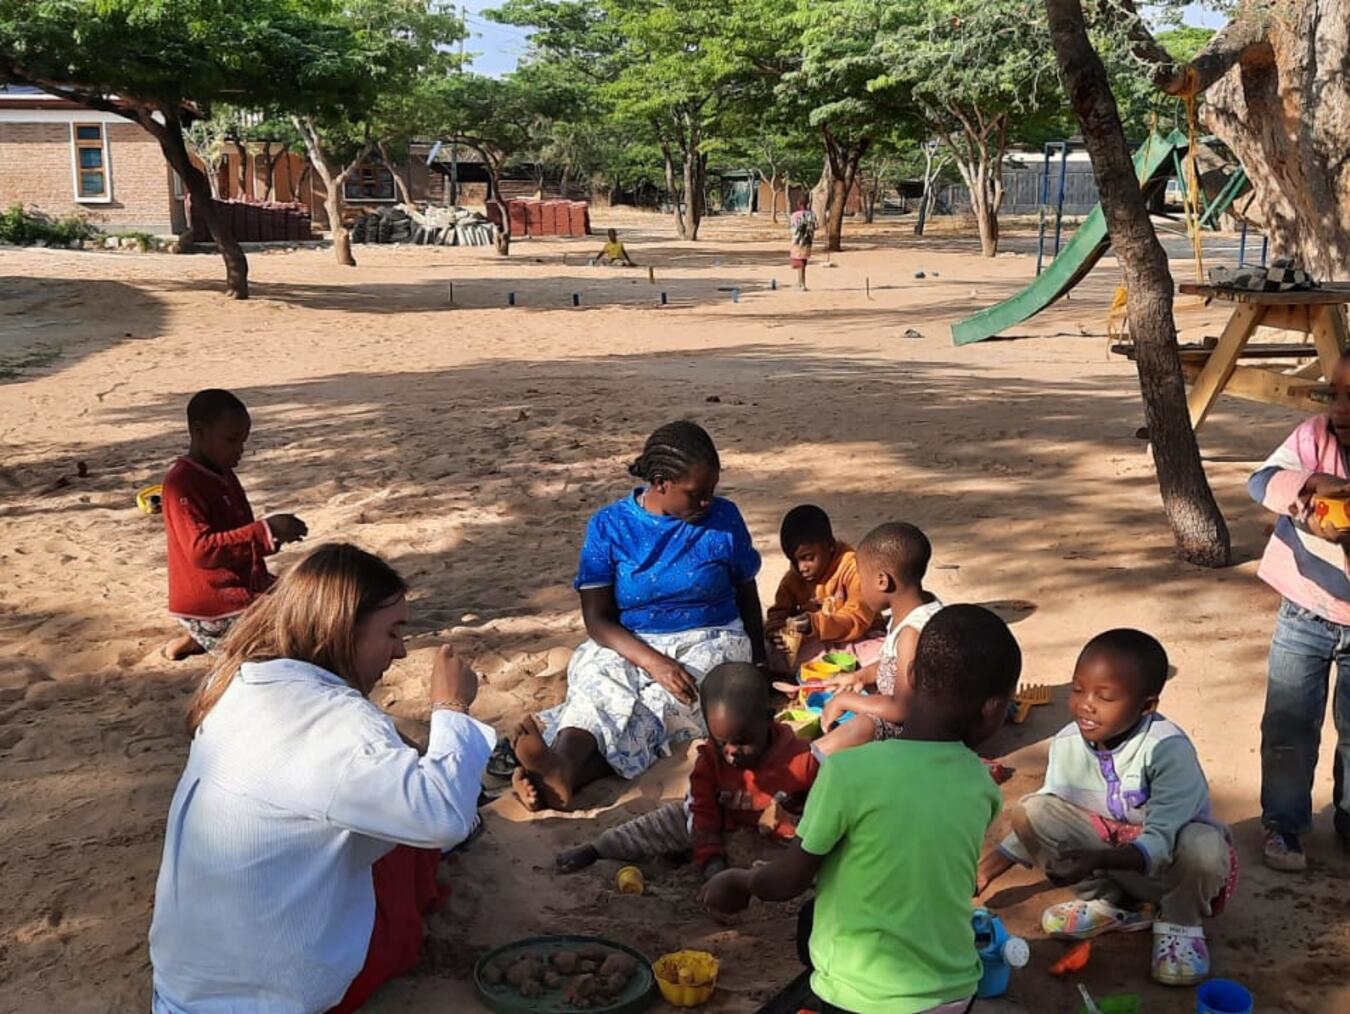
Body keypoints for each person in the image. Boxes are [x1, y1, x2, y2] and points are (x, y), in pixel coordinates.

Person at [149, 543, 495, 1013]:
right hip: (269, 1001)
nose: (401, 650)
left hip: (180, 989)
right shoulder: (334, 722)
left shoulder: (240, 681)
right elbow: (441, 817)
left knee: (392, 829)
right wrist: (451, 707)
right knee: (411, 860)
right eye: (392, 632)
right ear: (342, 630)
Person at [700, 605, 1022, 1014]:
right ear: (994, 708)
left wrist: (741, 881)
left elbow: (788, 880)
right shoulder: (981, 786)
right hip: (953, 991)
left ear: (909, 678)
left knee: (813, 925)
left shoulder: (848, 772)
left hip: (858, 998)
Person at [511, 421, 766, 811]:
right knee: (598, 680)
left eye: (711, 492)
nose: (707, 504)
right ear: (661, 482)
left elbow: (746, 590)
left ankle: (565, 771)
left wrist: (759, 662)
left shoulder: (724, 520)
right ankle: (564, 761)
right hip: (630, 640)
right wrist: (653, 661)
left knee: (666, 701)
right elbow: (597, 619)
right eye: (697, 495)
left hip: (712, 636)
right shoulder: (609, 526)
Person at [975, 630, 1236, 988]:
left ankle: (1179, 923)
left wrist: (1096, 860)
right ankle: (1108, 905)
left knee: (1203, 844)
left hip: (1172, 871)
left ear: (1146, 706)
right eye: (1079, 689)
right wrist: (990, 867)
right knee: (1031, 810)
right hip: (1112, 860)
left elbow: (1161, 842)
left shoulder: (1167, 751)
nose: (1086, 704)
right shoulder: (1068, 743)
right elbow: (1053, 809)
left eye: (1105, 696)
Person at [555, 661, 818, 878]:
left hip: (776, 841)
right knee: (660, 824)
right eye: (721, 742)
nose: (731, 752)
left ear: (768, 720)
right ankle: (598, 849)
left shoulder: (801, 759)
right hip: (717, 822)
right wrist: (711, 858)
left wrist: (789, 823)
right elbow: (702, 811)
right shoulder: (710, 761)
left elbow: (825, 810)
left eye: (742, 742)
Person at [1247, 350, 1350, 871]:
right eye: (1336, 394)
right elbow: (1263, 481)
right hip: (1304, 608)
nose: (1342, 408)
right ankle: (1283, 826)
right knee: (1288, 724)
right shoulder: (1314, 438)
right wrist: (1309, 489)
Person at [161, 389, 307, 660]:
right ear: (199, 432)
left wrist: (275, 535)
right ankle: (207, 635)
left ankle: (201, 639)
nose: (239, 450)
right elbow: (201, 551)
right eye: (231, 440)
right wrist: (266, 530)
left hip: (244, 585)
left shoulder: (223, 474)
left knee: (310, 595)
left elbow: (236, 533)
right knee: (298, 637)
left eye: (243, 441)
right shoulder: (182, 483)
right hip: (213, 601)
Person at [812, 522, 942, 757]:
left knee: (844, 736)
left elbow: (902, 708)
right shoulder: (925, 607)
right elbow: (898, 663)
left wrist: (845, 700)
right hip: (908, 708)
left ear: (882, 580)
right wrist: (859, 676)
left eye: (862, 577)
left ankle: (806, 768)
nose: (860, 586)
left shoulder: (912, 633)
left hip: (918, 731)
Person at [764, 505, 885, 675]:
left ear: (829, 545)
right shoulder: (794, 578)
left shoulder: (853, 567)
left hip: (860, 638)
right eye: (794, 561)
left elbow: (858, 617)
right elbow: (778, 613)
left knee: (881, 656)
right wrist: (776, 632)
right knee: (772, 655)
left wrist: (816, 624)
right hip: (819, 644)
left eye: (808, 558)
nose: (802, 568)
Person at [789, 197, 817, 290]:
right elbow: (816, 226)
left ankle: (802, 284)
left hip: (797, 241)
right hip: (808, 241)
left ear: (799, 203)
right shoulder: (812, 215)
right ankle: (800, 282)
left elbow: (792, 228)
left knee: (799, 261)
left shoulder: (795, 215)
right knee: (803, 261)